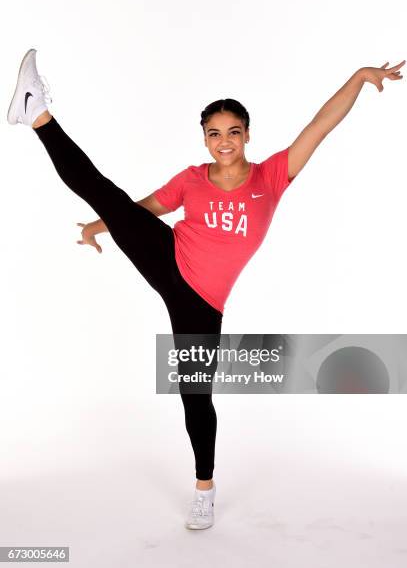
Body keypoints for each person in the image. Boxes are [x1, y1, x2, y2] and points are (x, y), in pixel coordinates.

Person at [7, 49, 405, 530]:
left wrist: (361, 77)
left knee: (195, 394)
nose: (223, 142)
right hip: (167, 256)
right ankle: (36, 112)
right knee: (102, 190)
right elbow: (145, 208)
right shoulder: (192, 180)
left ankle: (204, 489)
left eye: (232, 132)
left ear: (246, 135)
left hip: (201, 303)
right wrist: (101, 224)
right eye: (214, 133)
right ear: (204, 138)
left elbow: (320, 126)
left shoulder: (271, 177)